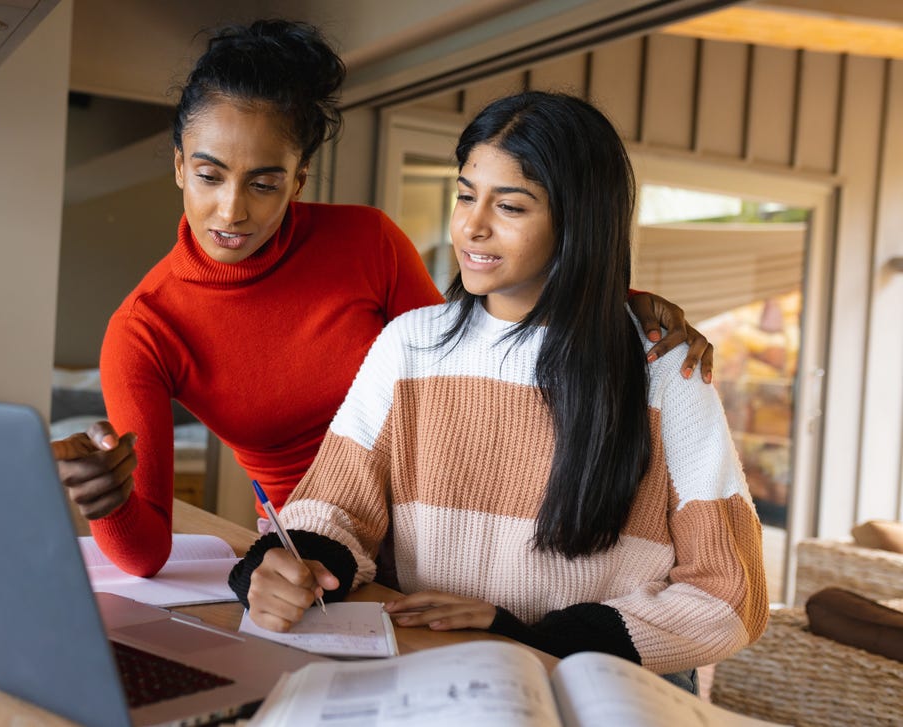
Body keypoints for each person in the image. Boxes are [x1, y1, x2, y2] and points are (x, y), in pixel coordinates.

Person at [53, 20, 713, 578]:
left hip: (445, 533)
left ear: (298, 179)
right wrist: (108, 500)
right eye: (208, 174)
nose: (231, 210)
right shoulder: (144, 329)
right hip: (319, 555)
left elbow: (468, 350)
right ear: (178, 166)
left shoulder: (366, 241)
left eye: (263, 182)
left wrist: (615, 300)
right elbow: (144, 554)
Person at [227, 91, 768, 691]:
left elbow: (727, 594)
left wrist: (527, 637)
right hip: (433, 671)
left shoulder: (664, 366)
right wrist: (293, 564)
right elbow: (336, 509)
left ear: (578, 219)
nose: (471, 225)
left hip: (599, 685)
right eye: (465, 194)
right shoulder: (411, 344)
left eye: (509, 206)